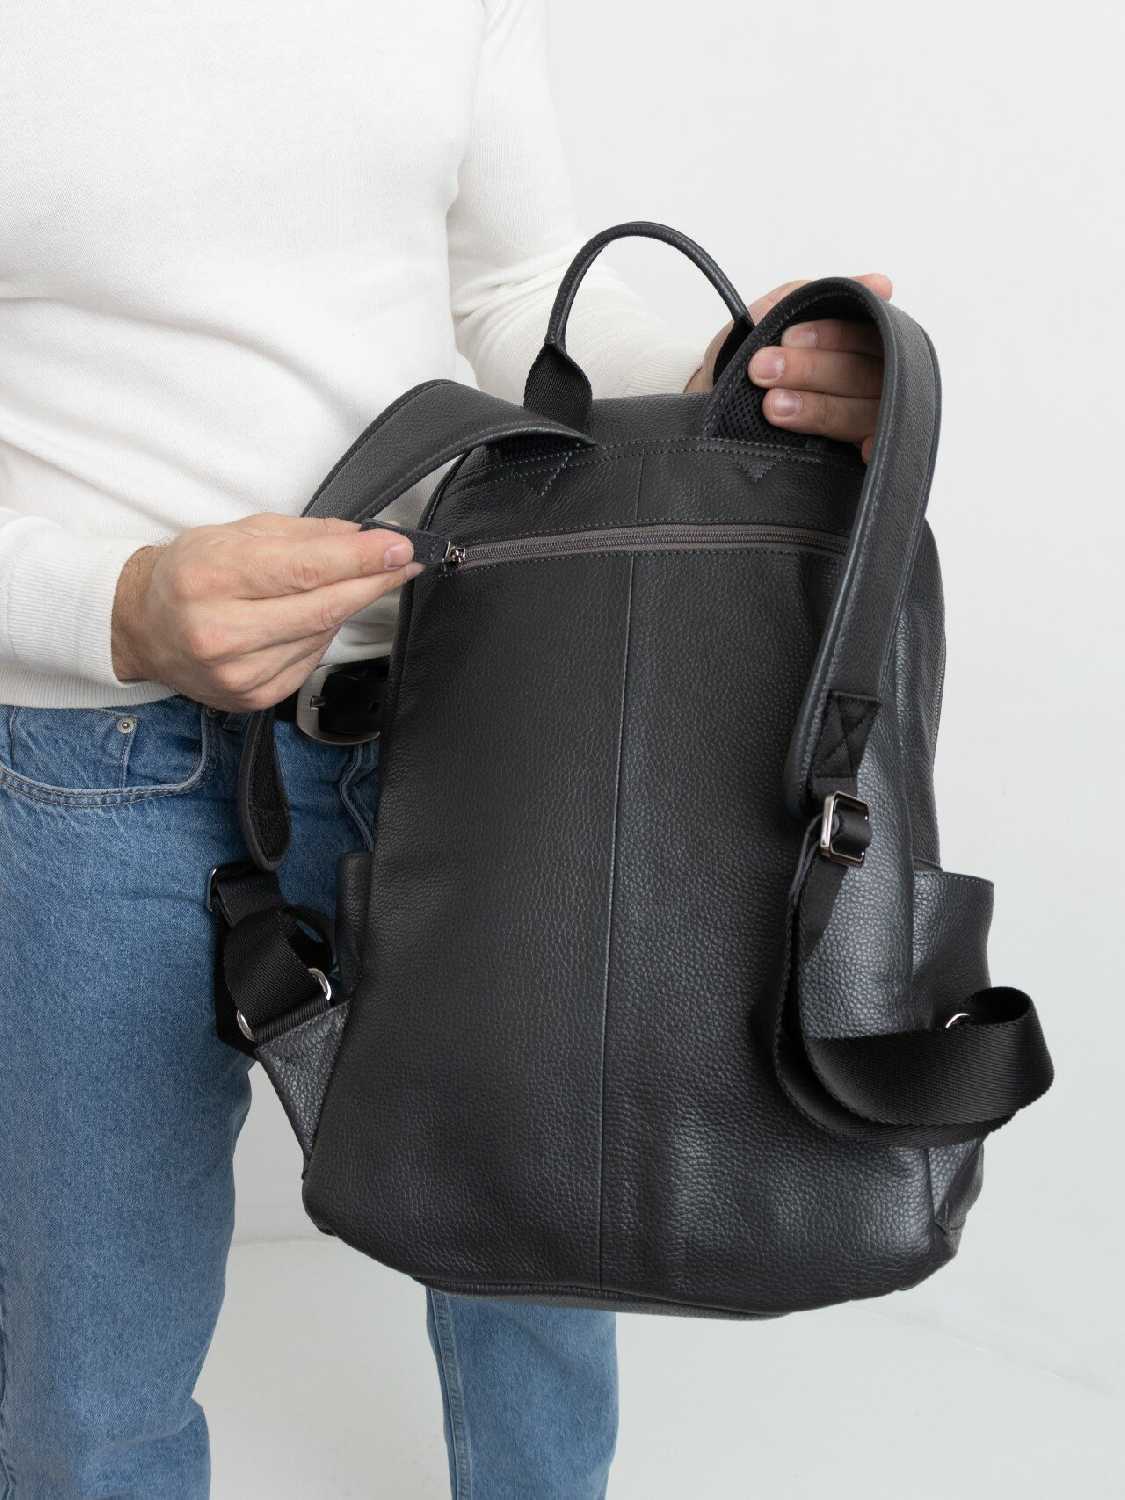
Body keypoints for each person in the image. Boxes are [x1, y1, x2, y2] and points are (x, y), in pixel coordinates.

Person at [0, 3, 889, 1496]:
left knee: (553, 1241)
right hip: (96, 758)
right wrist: (118, 603)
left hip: (470, 705)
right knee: (92, 1377)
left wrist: (740, 367)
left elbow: (509, 287)